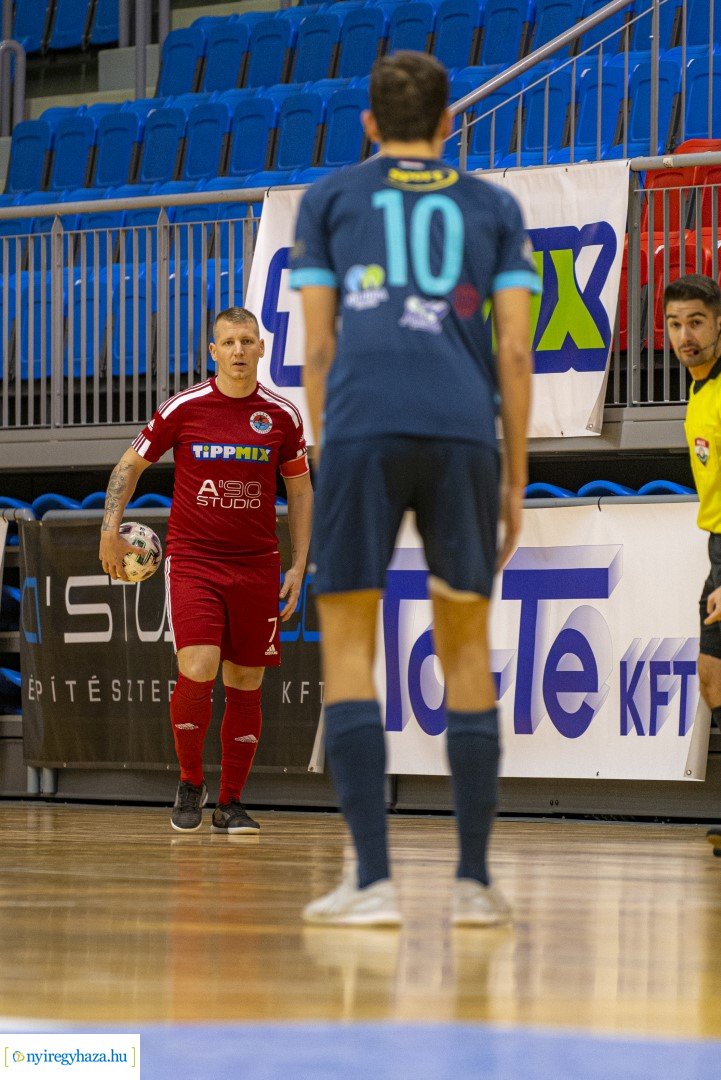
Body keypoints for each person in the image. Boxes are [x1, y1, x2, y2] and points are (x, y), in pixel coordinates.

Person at [290, 51, 540, 925]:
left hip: (360, 429)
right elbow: (514, 352)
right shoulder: (496, 207)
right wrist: (513, 475)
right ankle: (473, 883)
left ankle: (372, 882)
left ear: (368, 125)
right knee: (467, 649)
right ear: (447, 124)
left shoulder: (326, 201)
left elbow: (317, 350)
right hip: (465, 433)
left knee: (350, 649)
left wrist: (331, 448)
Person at [99, 307, 313, 835]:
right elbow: (130, 464)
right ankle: (191, 782)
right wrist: (110, 529)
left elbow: (301, 491)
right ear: (212, 352)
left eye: (247, 341)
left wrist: (300, 564)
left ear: (262, 349)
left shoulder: (282, 416)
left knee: (246, 679)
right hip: (194, 560)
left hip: (258, 566)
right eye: (228, 342)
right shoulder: (185, 407)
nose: (238, 351)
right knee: (198, 664)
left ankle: (231, 803)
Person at [665, 274, 721, 858]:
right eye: (676, 323)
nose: (685, 335)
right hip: (717, 547)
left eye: (697, 322)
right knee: (711, 679)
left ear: (719, 322)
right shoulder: (699, 389)